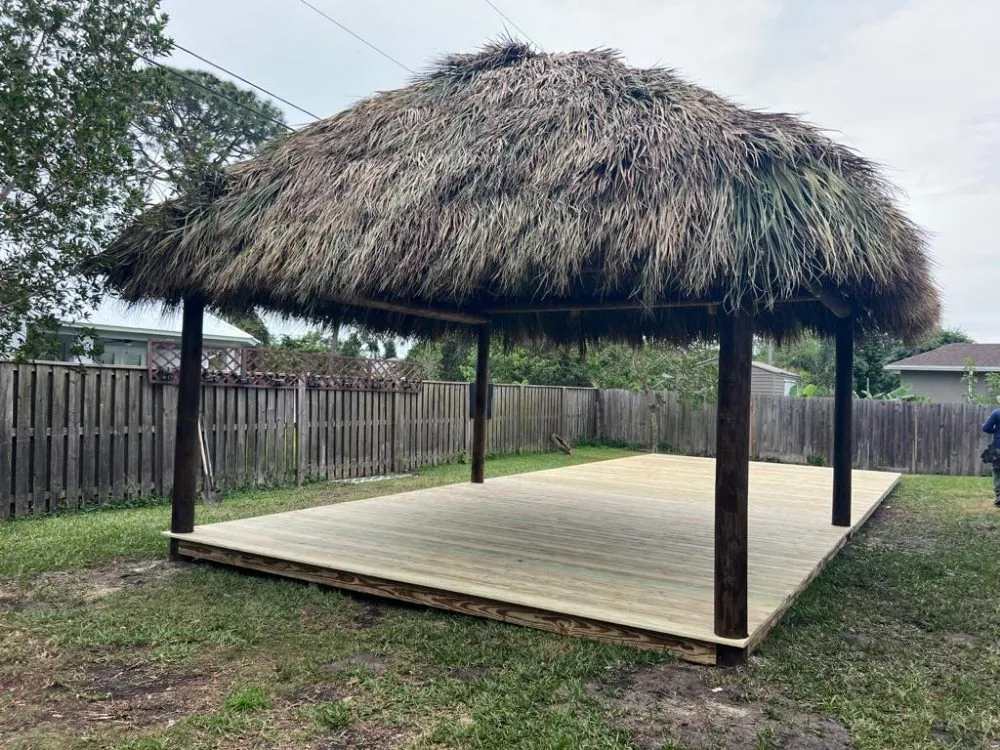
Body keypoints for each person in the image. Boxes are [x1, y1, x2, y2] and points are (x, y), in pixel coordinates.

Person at [982, 407, 1000, 507]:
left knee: (997, 471)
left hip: (998, 447)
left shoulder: (997, 412)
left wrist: (996, 429)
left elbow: (986, 428)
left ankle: (999, 496)